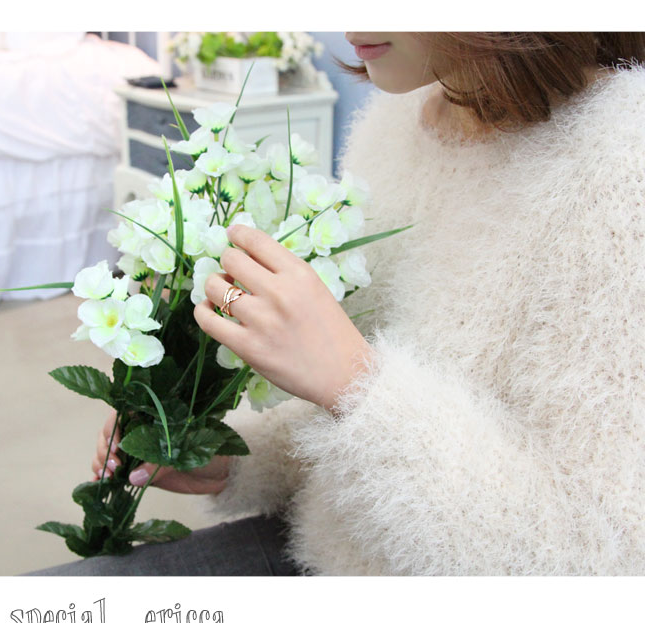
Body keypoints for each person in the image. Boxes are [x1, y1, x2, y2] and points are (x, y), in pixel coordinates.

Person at [32, 32, 645, 577]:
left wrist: (356, 385)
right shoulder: (397, 117)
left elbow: (598, 557)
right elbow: (339, 424)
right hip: (324, 551)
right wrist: (234, 460)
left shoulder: (621, 169)